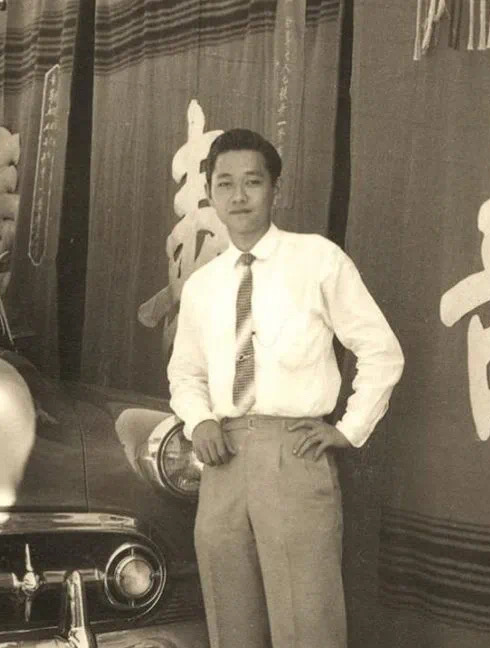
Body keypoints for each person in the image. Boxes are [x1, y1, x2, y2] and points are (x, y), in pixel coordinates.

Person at [167, 128, 404, 648]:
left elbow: (381, 350)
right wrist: (199, 420)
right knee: (231, 620)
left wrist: (349, 429)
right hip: (223, 460)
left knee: (307, 622)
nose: (239, 196)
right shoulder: (203, 286)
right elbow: (184, 374)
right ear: (209, 192)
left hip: (293, 454)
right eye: (225, 183)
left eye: (252, 182)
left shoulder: (317, 260)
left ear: (276, 188)